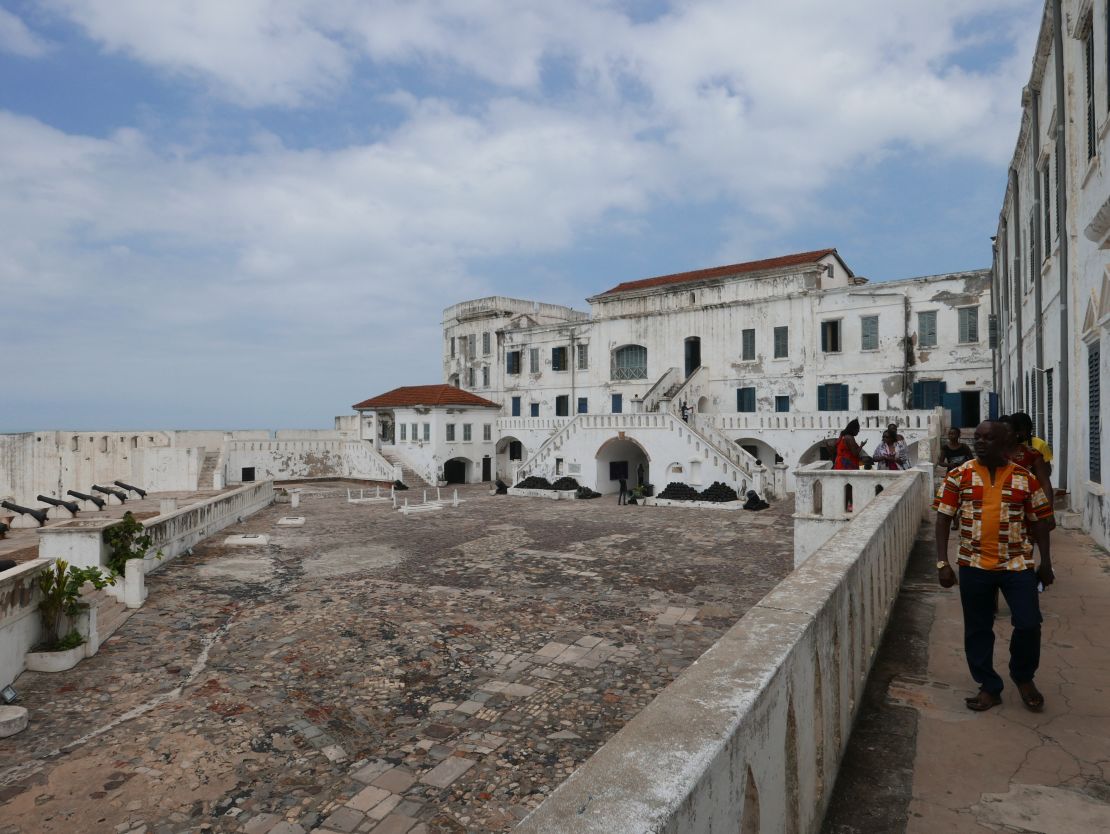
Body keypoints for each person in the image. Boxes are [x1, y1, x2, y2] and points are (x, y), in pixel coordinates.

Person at [934, 419, 1054, 712]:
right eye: (978, 437)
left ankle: (1023, 675)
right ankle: (989, 685)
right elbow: (943, 518)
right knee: (978, 628)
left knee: (1028, 623)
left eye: (988, 438)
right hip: (973, 564)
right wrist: (942, 563)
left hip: (1017, 564)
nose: (981, 442)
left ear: (1005, 443)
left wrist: (1046, 563)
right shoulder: (958, 476)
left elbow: (1040, 523)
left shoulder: (1025, 478)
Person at [1001, 412, 1055, 530]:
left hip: (1031, 497)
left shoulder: (1034, 451)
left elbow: (1046, 478)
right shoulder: (995, 455)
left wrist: (1049, 511)